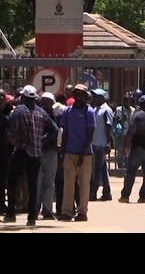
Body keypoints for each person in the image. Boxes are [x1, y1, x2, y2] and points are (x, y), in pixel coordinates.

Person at [4, 85, 58, 226]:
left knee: (12, 180)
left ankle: (10, 214)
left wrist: (17, 135)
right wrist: (42, 140)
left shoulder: (19, 110)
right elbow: (55, 129)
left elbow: (10, 123)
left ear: (23, 97)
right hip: (36, 153)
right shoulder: (41, 112)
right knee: (33, 185)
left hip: (22, 150)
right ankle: (32, 217)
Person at [58, 84, 96, 222]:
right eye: (76, 94)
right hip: (69, 152)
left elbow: (90, 134)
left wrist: (82, 154)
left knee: (84, 184)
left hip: (85, 155)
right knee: (68, 183)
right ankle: (67, 212)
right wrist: (62, 152)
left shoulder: (89, 112)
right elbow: (65, 132)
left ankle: (82, 212)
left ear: (86, 97)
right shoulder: (67, 111)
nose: (79, 97)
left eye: (81, 94)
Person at [119, 95, 145, 203]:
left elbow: (130, 133)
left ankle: (125, 196)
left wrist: (126, 147)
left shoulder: (137, 116)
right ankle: (144, 197)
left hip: (138, 149)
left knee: (130, 172)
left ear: (139, 104)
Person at [89, 88, 113, 201]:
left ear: (102, 98)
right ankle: (107, 192)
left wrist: (108, 143)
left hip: (101, 143)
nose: (94, 98)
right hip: (95, 143)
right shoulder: (95, 109)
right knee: (103, 169)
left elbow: (108, 127)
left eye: (96, 96)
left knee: (96, 170)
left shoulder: (106, 110)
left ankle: (93, 192)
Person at [114, 94, 135, 169]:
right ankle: (120, 167)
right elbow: (116, 120)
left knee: (129, 152)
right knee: (120, 151)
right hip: (121, 134)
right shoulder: (119, 109)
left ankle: (127, 167)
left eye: (129, 100)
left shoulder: (133, 110)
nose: (127, 102)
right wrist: (121, 118)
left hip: (130, 134)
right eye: (125, 100)